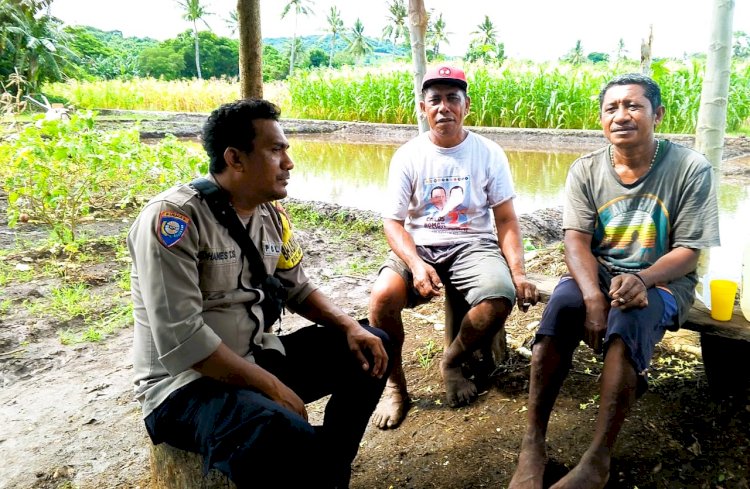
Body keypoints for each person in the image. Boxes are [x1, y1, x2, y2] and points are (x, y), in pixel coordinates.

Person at [128, 99, 392, 488]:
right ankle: (318, 467)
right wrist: (273, 388)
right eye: (275, 150)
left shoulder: (269, 215)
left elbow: (296, 287)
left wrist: (350, 326)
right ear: (235, 158)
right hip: (185, 388)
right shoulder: (174, 219)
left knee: (371, 348)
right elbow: (183, 339)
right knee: (278, 429)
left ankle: (331, 467)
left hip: (253, 357)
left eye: (286, 149)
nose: (289, 162)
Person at [508, 73, 720, 489]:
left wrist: (641, 278)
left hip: (664, 279)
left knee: (626, 330)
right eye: (611, 108)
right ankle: (532, 444)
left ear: (656, 114)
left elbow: (689, 251)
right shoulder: (586, 170)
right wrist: (591, 297)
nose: (621, 115)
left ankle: (597, 460)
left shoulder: (690, 169)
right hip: (601, 272)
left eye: (633, 106)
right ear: (602, 119)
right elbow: (576, 241)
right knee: (555, 322)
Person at [368, 64, 539, 430]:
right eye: (435, 100)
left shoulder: (489, 152)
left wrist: (519, 273)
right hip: (420, 246)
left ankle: (452, 360)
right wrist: (415, 264)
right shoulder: (409, 155)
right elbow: (393, 222)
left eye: (452, 98)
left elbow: (506, 220)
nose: (443, 107)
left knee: (498, 297)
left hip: (472, 245)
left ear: (466, 106)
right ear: (422, 107)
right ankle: (396, 388)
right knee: (382, 298)